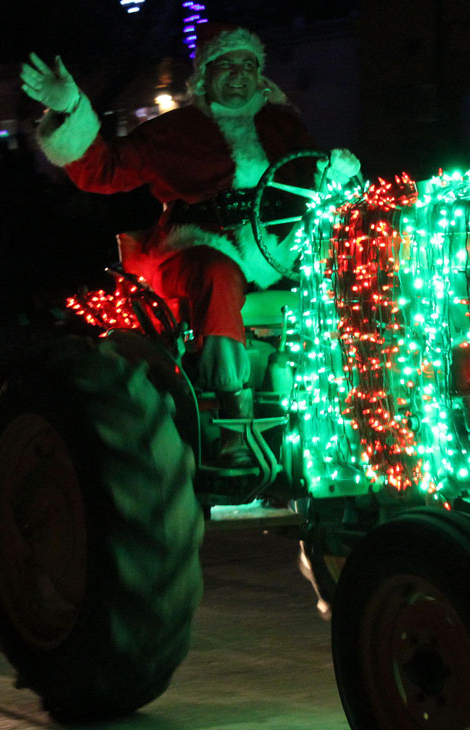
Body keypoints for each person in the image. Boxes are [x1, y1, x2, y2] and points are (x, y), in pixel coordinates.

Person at [20, 24, 360, 467]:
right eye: (227, 65)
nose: (239, 75)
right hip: (194, 248)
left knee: (354, 272)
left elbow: (313, 183)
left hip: (278, 250)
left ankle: (343, 404)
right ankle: (232, 415)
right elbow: (104, 169)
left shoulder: (283, 127)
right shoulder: (176, 130)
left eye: (248, 66)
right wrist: (71, 110)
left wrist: (336, 177)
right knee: (217, 276)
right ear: (205, 74)